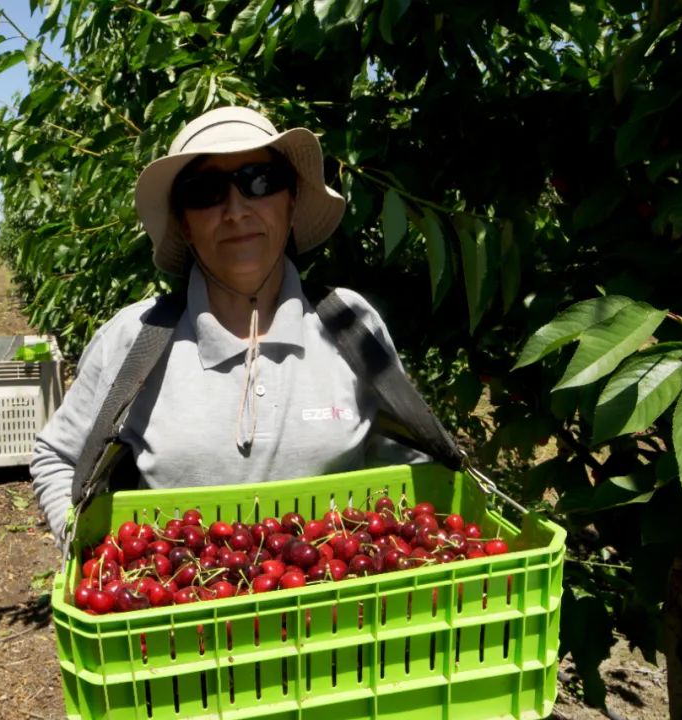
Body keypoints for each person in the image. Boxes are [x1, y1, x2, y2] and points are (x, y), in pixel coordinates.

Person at [31, 106, 426, 545]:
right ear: (185, 222)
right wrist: (86, 552)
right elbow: (59, 456)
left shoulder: (349, 325)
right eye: (206, 192)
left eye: (260, 181)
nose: (236, 210)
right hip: (176, 609)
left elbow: (411, 467)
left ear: (291, 200)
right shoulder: (134, 340)